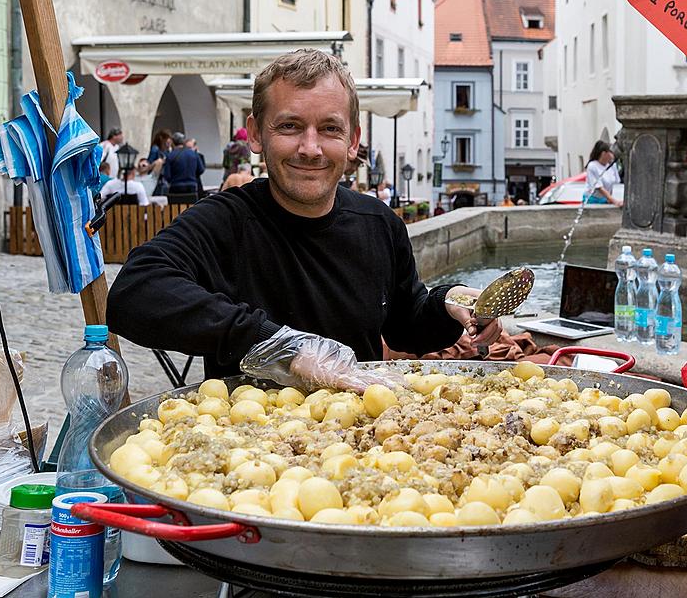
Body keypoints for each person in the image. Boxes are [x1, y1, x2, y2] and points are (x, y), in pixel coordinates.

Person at [106, 48, 501, 388]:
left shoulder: (379, 223)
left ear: (352, 141)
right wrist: (281, 346)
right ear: (257, 135)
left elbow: (406, 324)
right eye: (290, 126)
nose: (310, 148)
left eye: (329, 128)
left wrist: (449, 302)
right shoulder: (224, 221)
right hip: (250, 447)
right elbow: (134, 294)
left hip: (362, 438)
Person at [584, 140, 623, 207]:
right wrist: (614, 201)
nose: (613, 155)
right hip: (594, 200)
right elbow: (599, 188)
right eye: (611, 152)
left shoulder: (612, 165)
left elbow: (617, 183)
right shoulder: (592, 166)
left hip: (606, 199)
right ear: (604, 153)